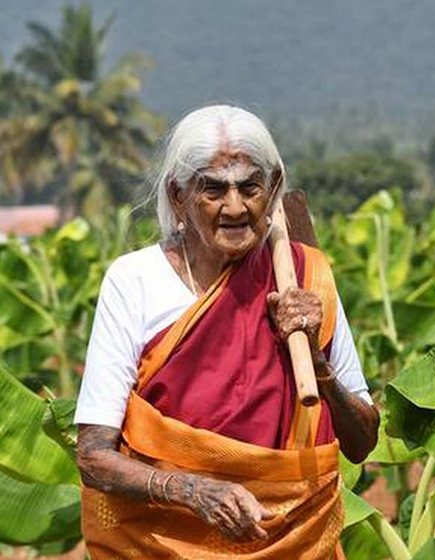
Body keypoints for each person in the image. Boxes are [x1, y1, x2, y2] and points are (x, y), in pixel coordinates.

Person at [74, 105, 379, 558]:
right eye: (214, 189)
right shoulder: (134, 280)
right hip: (158, 544)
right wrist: (192, 491)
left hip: (292, 542)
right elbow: (94, 456)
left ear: (273, 188)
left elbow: (363, 442)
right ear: (179, 197)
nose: (235, 207)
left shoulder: (305, 278)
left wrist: (319, 366)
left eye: (249, 187)